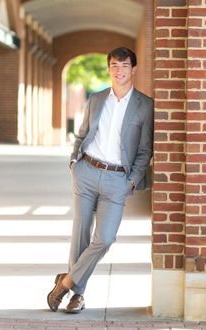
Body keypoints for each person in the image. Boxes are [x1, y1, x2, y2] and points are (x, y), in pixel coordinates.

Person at [47, 47, 154, 314]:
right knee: (80, 236)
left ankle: (66, 282)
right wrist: (74, 162)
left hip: (118, 179)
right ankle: (77, 296)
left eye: (125, 66)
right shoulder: (96, 99)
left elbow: (144, 150)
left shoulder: (145, 105)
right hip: (87, 171)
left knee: (105, 238)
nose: (120, 71)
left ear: (134, 69)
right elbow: (82, 134)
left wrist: (131, 181)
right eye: (115, 66)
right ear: (109, 69)